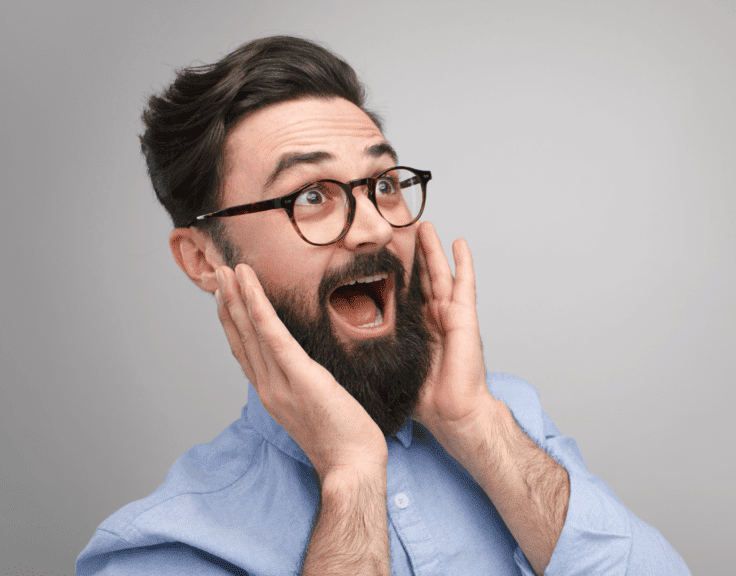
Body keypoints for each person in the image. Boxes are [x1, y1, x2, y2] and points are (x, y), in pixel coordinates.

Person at [76, 36, 689, 576]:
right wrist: (350, 477)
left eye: (385, 185)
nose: (372, 227)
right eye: (312, 194)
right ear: (204, 259)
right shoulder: (167, 547)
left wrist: (475, 425)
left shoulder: (512, 421)